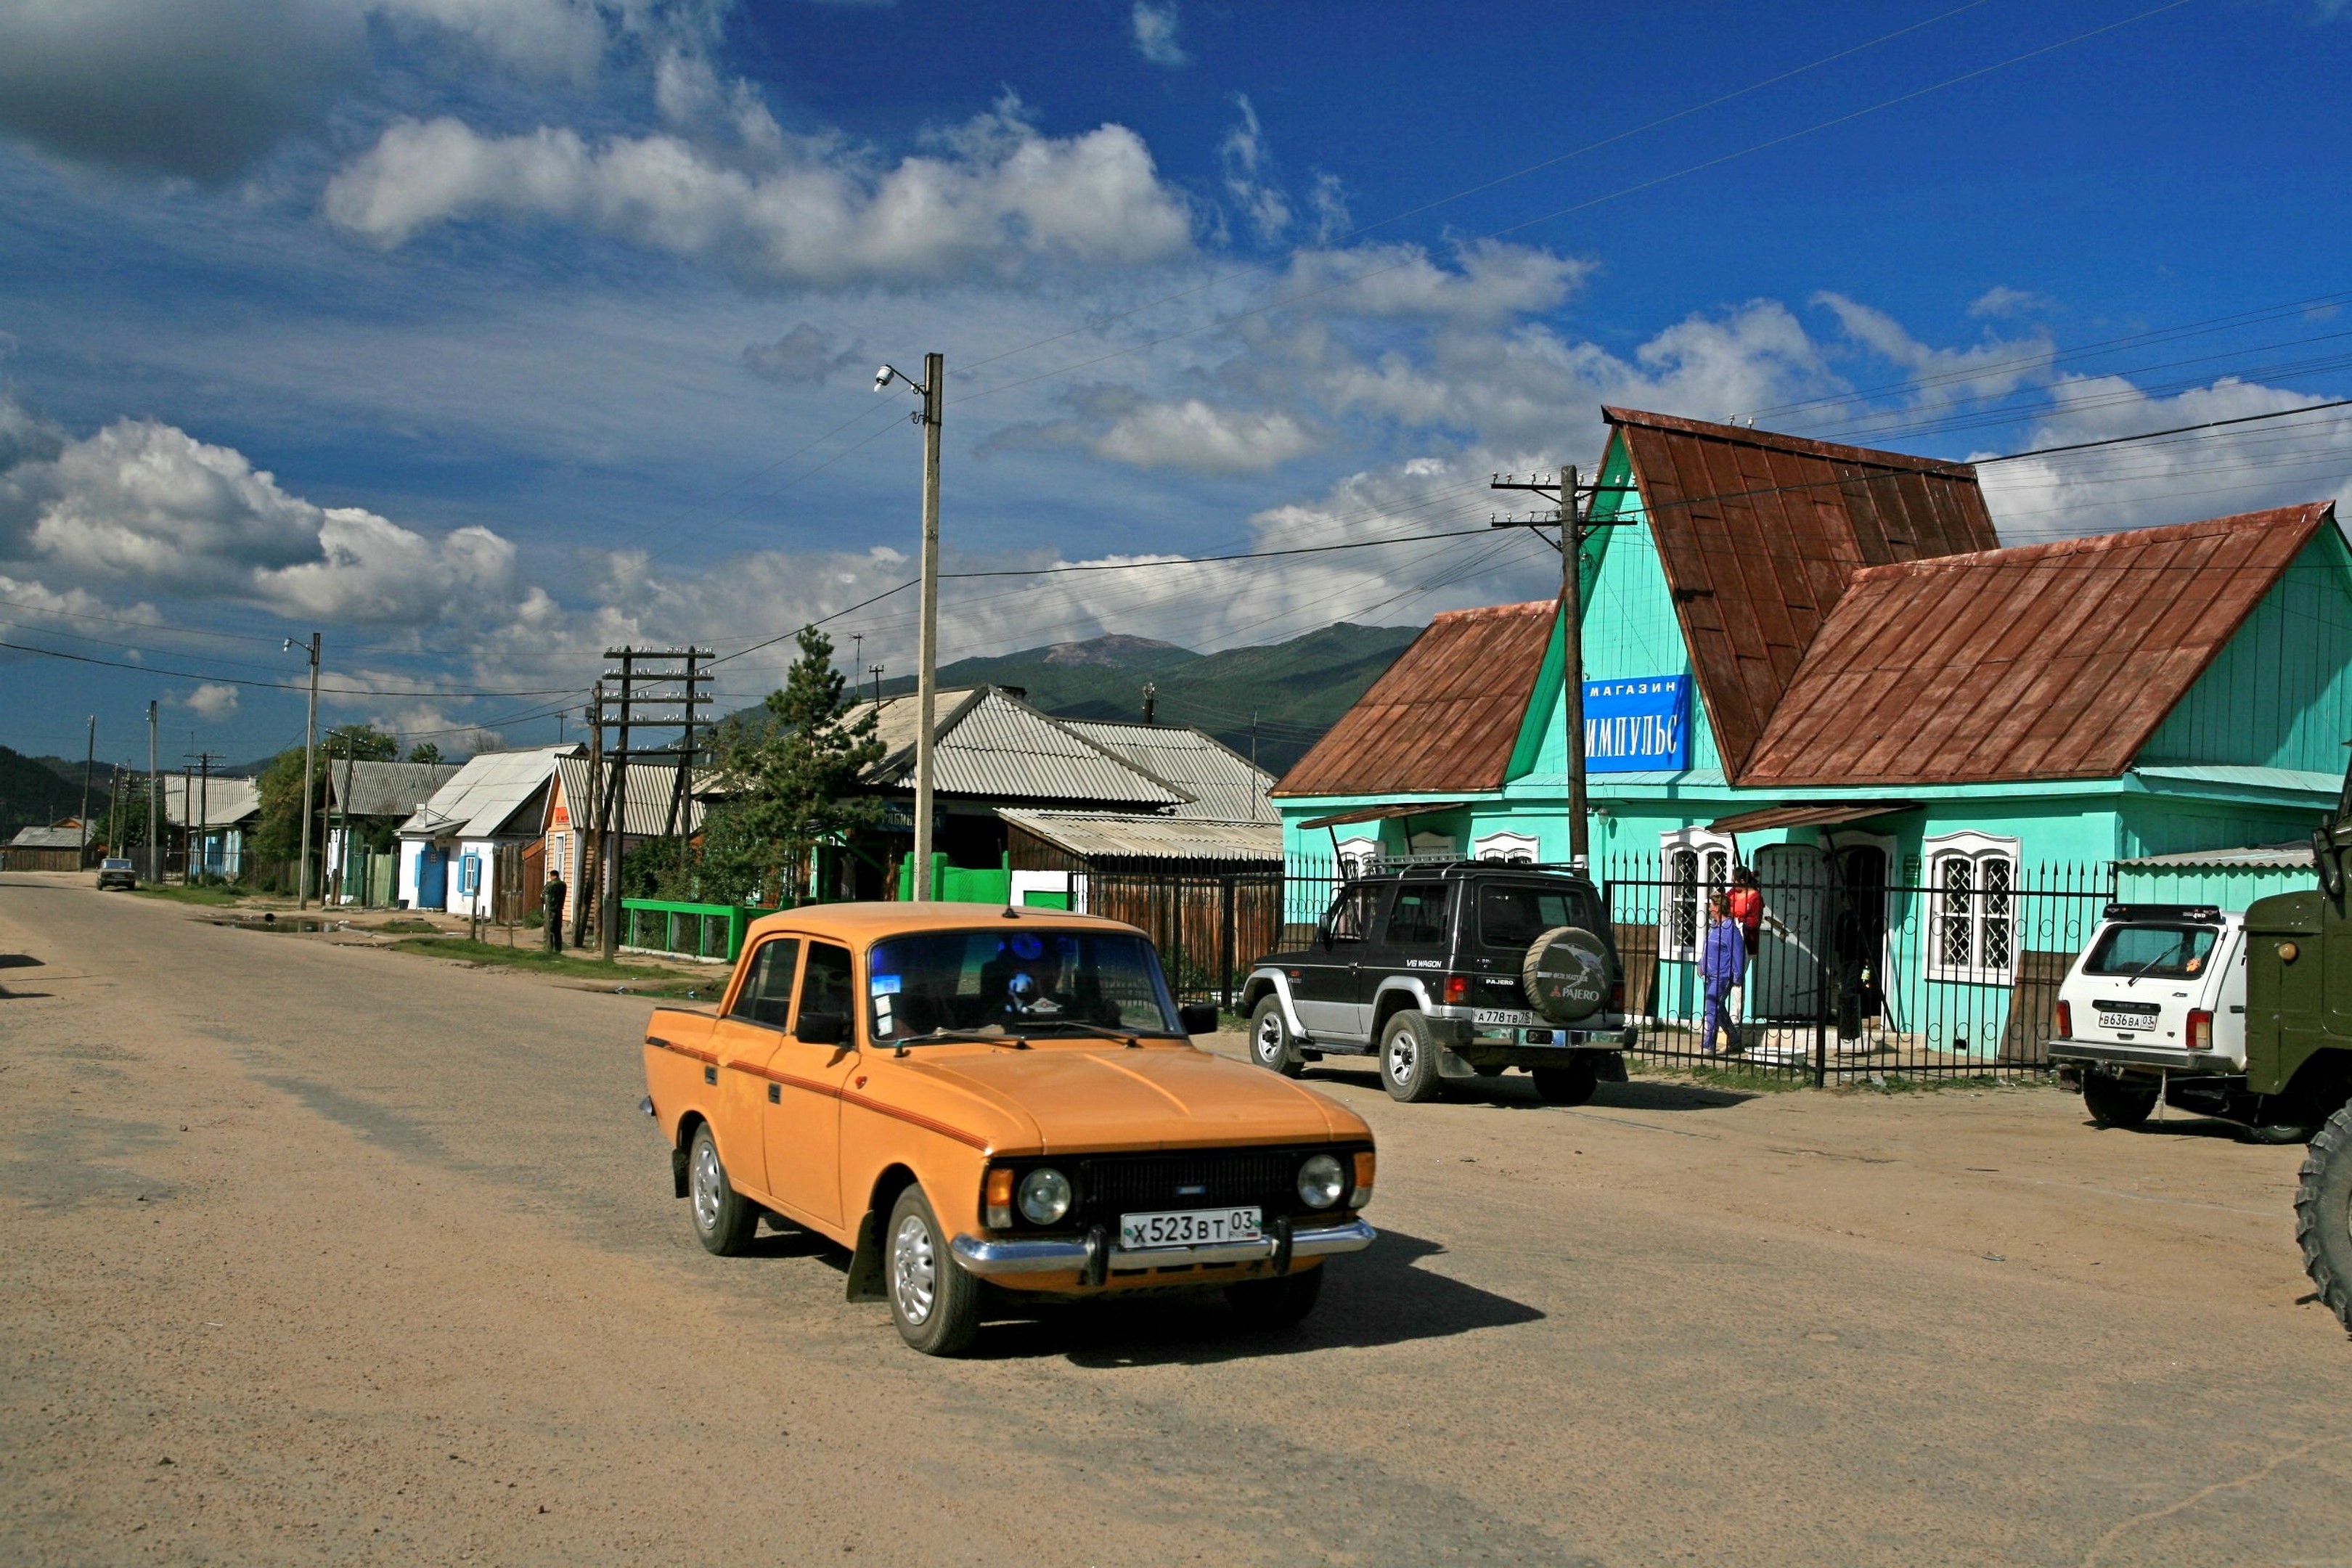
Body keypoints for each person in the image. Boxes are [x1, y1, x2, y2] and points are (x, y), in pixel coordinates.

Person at [1699, 891, 1745, 1054]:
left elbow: (1738, 955)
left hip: (1723, 977)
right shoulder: (1715, 927)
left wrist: (1738, 976)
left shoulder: (1730, 931)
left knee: (1712, 1007)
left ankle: (1708, 1045)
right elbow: (1708, 949)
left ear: (1718, 908)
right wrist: (1701, 964)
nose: (1710, 908)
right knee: (1718, 1008)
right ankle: (1734, 1038)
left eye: (1712, 905)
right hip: (1710, 976)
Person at [544, 869, 568, 955]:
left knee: (549, 929)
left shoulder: (550, 885)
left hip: (551, 910)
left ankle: (549, 948)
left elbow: (543, 896)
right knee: (558, 931)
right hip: (559, 910)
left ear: (552, 876)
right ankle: (558, 949)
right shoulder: (563, 885)